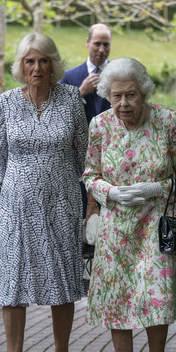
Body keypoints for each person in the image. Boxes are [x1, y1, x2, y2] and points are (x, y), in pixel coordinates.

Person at [82, 57, 176, 352]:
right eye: (116, 96)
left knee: (156, 300)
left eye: (131, 96)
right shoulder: (100, 126)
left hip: (156, 226)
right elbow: (89, 175)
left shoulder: (168, 122)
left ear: (144, 92)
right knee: (118, 303)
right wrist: (110, 192)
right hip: (116, 231)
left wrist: (156, 189)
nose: (123, 105)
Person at [0, 32, 88, 352]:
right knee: (12, 282)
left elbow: (83, 156)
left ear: (53, 64)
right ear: (21, 66)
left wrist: (89, 201)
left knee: (60, 278)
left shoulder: (72, 98)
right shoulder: (8, 101)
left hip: (61, 200)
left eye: (44, 60)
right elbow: (0, 156)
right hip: (15, 202)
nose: (37, 67)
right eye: (30, 61)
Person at [61, 23, 113, 222]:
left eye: (106, 45)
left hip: (112, 156)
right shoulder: (69, 77)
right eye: (97, 44)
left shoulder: (120, 74)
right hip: (79, 159)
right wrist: (79, 93)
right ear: (88, 42)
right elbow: (59, 116)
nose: (101, 50)